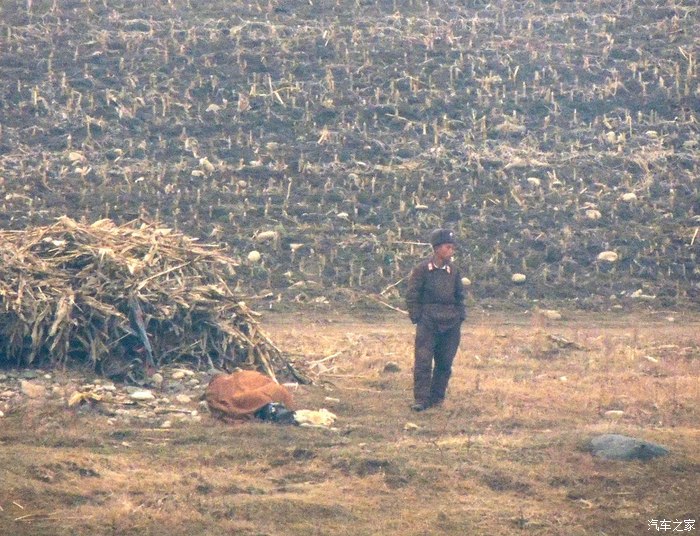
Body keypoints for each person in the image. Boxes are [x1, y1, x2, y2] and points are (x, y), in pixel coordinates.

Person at [405, 229, 466, 412]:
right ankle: (421, 399)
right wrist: (418, 317)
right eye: (448, 247)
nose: (451, 251)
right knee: (423, 361)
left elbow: (460, 296)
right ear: (437, 248)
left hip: (451, 323)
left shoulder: (454, 271)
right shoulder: (422, 270)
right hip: (428, 322)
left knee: (445, 362)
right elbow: (412, 295)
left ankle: (437, 398)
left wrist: (460, 316)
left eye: (452, 247)